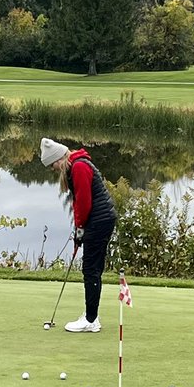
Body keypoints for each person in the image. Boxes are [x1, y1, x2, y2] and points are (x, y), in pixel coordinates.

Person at [40, 137, 117, 333]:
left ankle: (91, 320)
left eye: (53, 165)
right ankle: (91, 316)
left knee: (91, 269)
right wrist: (79, 229)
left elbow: (84, 202)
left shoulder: (78, 167)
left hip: (98, 221)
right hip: (99, 220)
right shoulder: (77, 164)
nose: (54, 169)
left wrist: (80, 228)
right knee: (92, 269)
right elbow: (79, 203)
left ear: (59, 158)